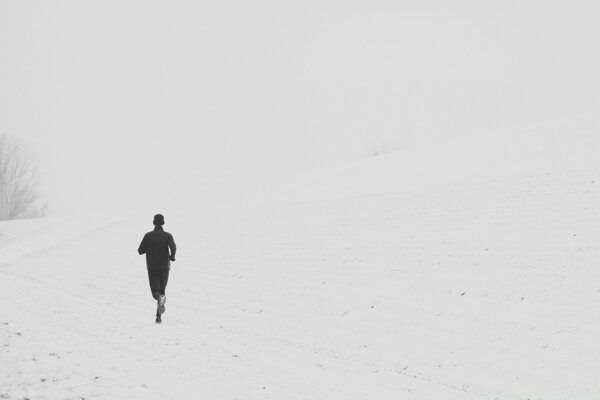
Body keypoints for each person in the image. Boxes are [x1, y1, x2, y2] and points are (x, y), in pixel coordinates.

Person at [138, 214, 176, 324]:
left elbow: (140, 251)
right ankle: (158, 317)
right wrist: (172, 256)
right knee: (162, 291)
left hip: (152, 267)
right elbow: (173, 247)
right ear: (163, 222)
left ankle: (159, 312)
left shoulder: (148, 236)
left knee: (155, 291)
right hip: (165, 267)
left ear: (154, 222)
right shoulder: (168, 236)